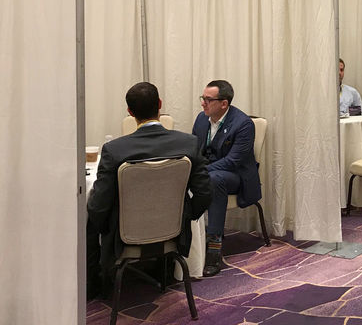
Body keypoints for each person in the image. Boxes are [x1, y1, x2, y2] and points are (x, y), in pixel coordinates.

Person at [86, 82, 211, 300]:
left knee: (89, 218)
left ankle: (95, 285)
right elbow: (204, 194)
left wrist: (106, 227)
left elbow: (99, 206)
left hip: (124, 237)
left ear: (130, 112)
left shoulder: (115, 150)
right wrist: (184, 217)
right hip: (174, 233)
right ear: (160, 105)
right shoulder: (189, 143)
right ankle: (164, 264)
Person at [192, 80, 261, 277]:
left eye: (208, 99)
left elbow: (233, 161)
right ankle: (186, 242)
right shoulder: (201, 119)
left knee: (215, 180)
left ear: (224, 103)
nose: (203, 103)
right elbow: (195, 150)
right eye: (202, 98)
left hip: (237, 177)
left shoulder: (243, 124)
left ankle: (214, 249)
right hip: (210, 172)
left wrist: (201, 172)